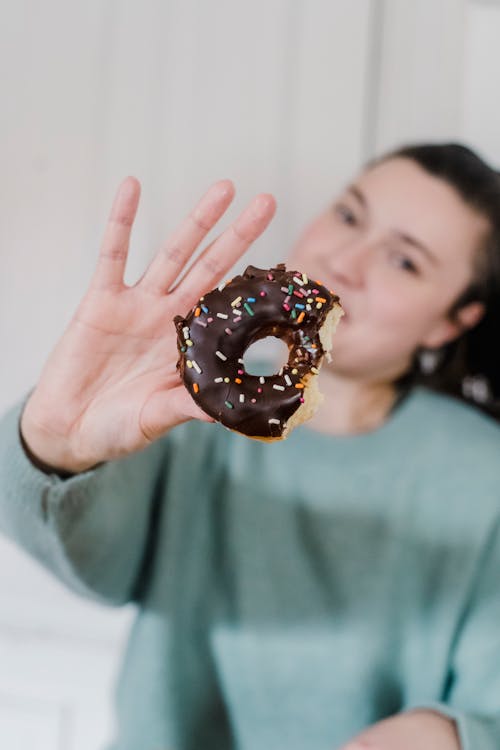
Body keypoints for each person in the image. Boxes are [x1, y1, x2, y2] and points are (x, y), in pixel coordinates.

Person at [1, 142, 500, 750]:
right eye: (348, 216)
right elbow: (91, 561)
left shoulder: (483, 477)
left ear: (453, 321)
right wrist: (56, 445)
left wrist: (453, 735)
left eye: (403, 261)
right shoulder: (186, 402)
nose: (345, 262)